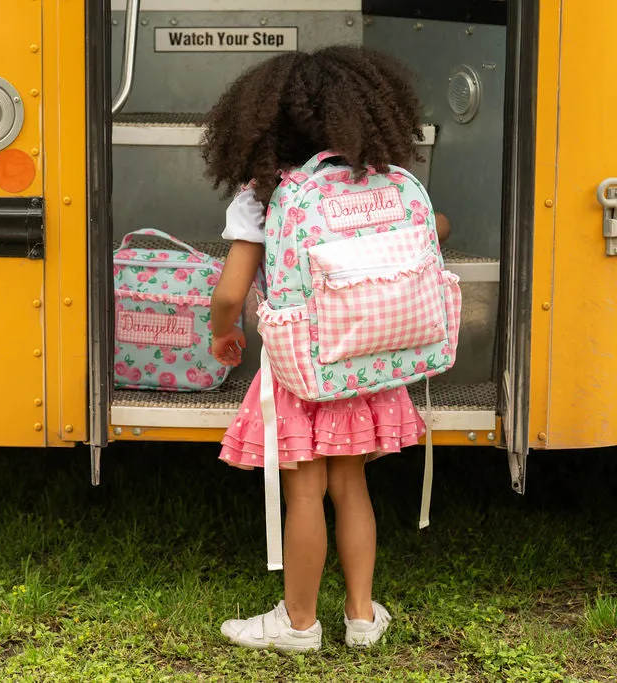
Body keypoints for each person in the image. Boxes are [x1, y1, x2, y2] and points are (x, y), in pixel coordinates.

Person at [202, 45, 438, 652]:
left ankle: (299, 622)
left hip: (300, 372)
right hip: (367, 364)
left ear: (258, 124)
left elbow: (231, 291)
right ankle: (361, 615)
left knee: (305, 491)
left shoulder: (265, 197)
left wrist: (221, 331)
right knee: (351, 488)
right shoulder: (382, 182)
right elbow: (429, 236)